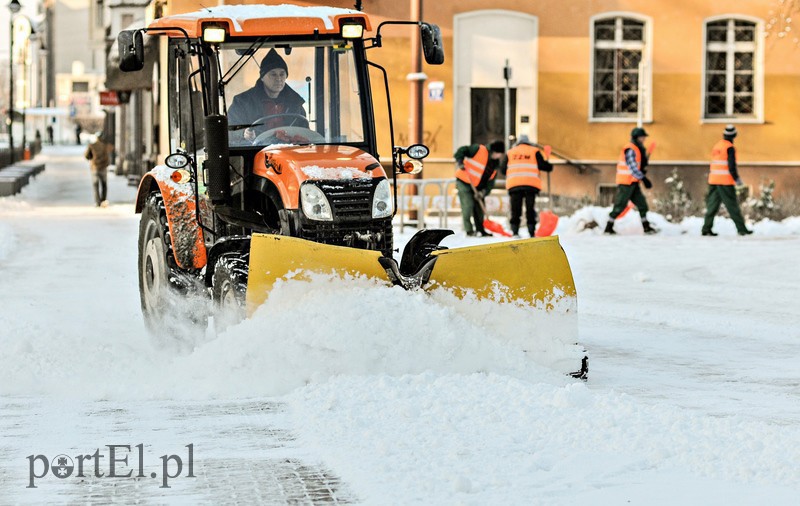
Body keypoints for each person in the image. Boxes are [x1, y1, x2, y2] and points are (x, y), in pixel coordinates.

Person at [228, 49, 307, 143]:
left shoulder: (296, 103)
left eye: (282, 74)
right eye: (273, 74)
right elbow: (230, 130)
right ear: (262, 77)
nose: (278, 79)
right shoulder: (242, 102)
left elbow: (305, 132)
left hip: (289, 151)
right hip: (254, 152)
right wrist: (243, 133)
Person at [701, 125, 753, 236]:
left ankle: (706, 228)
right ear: (734, 135)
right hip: (725, 181)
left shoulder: (717, 146)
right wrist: (737, 179)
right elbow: (731, 166)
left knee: (712, 206)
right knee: (732, 206)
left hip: (714, 180)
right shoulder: (729, 148)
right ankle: (742, 229)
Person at [604, 127, 657, 235]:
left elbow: (637, 166)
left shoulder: (638, 149)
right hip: (625, 183)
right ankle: (608, 227)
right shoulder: (631, 149)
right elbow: (632, 167)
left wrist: (642, 169)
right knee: (620, 206)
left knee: (642, 205)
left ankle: (646, 227)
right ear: (637, 137)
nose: (644, 139)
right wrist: (643, 178)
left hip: (633, 182)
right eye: (642, 137)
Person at [454, 140, 506, 236]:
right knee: (468, 205)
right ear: (494, 151)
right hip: (464, 180)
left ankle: (481, 229)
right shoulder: (478, 149)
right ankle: (469, 230)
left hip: (478, 187)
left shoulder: (494, 165)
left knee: (480, 209)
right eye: (499, 153)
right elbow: (461, 150)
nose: (499, 156)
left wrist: (483, 192)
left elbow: (490, 183)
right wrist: (460, 161)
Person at [504, 135, 553, 237]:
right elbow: (543, 166)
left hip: (514, 185)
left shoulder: (510, 152)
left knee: (515, 209)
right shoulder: (534, 151)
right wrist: (549, 166)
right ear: (528, 142)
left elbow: (502, 169)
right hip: (530, 185)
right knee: (530, 209)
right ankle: (531, 231)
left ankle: (515, 231)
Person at [84, 131, 113, 207]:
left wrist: (92, 159)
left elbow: (87, 156)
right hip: (103, 168)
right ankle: (103, 200)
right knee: (104, 184)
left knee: (95, 185)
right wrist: (105, 164)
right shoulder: (104, 146)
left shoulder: (92, 146)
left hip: (95, 168)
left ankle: (97, 202)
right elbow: (107, 158)